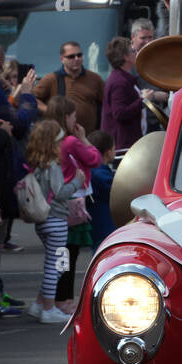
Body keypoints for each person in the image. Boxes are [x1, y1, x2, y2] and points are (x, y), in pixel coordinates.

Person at [43, 97, 103, 315]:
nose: (76, 119)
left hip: (59, 201)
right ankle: (63, 298)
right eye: (74, 116)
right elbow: (95, 159)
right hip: (74, 203)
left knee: (61, 253)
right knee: (68, 254)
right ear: (66, 117)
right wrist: (84, 139)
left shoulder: (51, 140)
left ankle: (58, 296)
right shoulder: (70, 142)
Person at [25, 120, 86, 323]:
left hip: (44, 221)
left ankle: (40, 303)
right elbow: (60, 192)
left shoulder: (38, 164)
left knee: (56, 263)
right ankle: (49, 308)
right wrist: (77, 180)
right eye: (60, 141)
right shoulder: (53, 165)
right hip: (56, 220)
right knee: (58, 264)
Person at [33, 41, 104, 134]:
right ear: (62, 59)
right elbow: (31, 98)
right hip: (61, 137)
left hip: (89, 138)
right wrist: (49, 110)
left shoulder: (95, 79)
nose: (76, 59)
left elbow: (107, 104)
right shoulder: (51, 79)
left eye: (79, 55)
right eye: (71, 56)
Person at [101, 36, 147, 151]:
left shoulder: (123, 78)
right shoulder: (119, 82)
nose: (136, 53)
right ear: (125, 57)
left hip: (127, 143)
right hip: (122, 145)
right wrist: (143, 100)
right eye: (133, 51)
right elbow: (119, 113)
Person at [86, 130, 116, 252]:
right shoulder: (100, 174)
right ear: (108, 153)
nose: (116, 151)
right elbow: (116, 191)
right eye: (114, 148)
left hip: (97, 227)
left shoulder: (93, 170)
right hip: (104, 227)